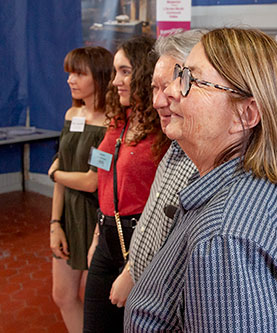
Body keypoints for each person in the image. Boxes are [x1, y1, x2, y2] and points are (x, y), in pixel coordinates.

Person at [124, 27, 277, 332]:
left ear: (246, 114)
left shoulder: (225, 239)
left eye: (189, 80)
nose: (172, 91)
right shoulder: (252, 186)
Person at [108, 29, 205, 308]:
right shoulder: (176, 145)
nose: (158, 101)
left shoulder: (207, 163)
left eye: (171, 86)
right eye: (155, 88)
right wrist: (131, 270)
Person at [82, 35, 167, 332]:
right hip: (106, 236)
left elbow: (166, 203)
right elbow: (105, 181)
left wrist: (132, 270)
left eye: (125, 71)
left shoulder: (163, 128)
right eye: (116, 71)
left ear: (145, 72)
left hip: (141, 241)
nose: (116, 80)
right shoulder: (119, 119)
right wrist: (96, 237)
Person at [47, 46, 113, 333]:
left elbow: (92, 181)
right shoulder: (71, 113)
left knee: (95, 301)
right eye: (69, 73)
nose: (70, 80)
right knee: (62, 294)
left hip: (97, 218)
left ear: (99, 77)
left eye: (78, 73)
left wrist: (56, 174)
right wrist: (54, 223)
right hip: (67, 216)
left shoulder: (112, 123)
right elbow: (61, 162)